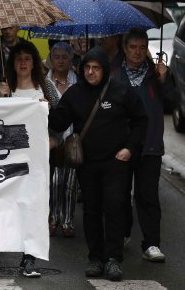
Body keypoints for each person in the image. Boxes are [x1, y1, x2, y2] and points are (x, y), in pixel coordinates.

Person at [48, 47, 147, 282]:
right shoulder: (74, 94)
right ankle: (96, 258)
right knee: (91, 210)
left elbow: (141, 120)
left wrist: (130, 148)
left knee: (114, 207)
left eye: (96, 68)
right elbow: (59, 122)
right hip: (88, 163)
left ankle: (113, 259)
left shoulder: (121, 92)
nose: (91, 72)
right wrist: (45, 107)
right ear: (82, 70)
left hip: (116, 162)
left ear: (104, 69)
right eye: (87, 68)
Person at [111, 28, 178, 262]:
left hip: (150, 144)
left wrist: (164, 79)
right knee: (120, 194)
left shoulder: (156, 73)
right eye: (133, 47)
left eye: (142, 47)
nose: (138, 52)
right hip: (121, 145)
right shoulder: (114, 74)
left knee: (147, 195)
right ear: (124, 48)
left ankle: (151, 243)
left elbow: (173, 103)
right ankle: (122, 233)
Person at [0, 41, 58, 278]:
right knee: (12, 206)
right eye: (18, 58)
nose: (23, 62)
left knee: (35, 206)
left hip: (38, 160)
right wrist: (1, 99)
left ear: (34, 62)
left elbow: (62, 118)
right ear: (12, 63)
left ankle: (29, 257)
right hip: (11, 159)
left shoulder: (46, 87)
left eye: (27, 58)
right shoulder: (4, 88)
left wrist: (54, 139)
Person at [46, 42, 79, 238]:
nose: (60, 60)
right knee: (54, 181)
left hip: (73, 137)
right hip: (52, 137)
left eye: (64, 57)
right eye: (56, 56)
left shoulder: (77, 81)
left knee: (70, 183)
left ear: (71, 59)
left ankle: (68, 220)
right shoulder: (45, 82)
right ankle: (53, 218)